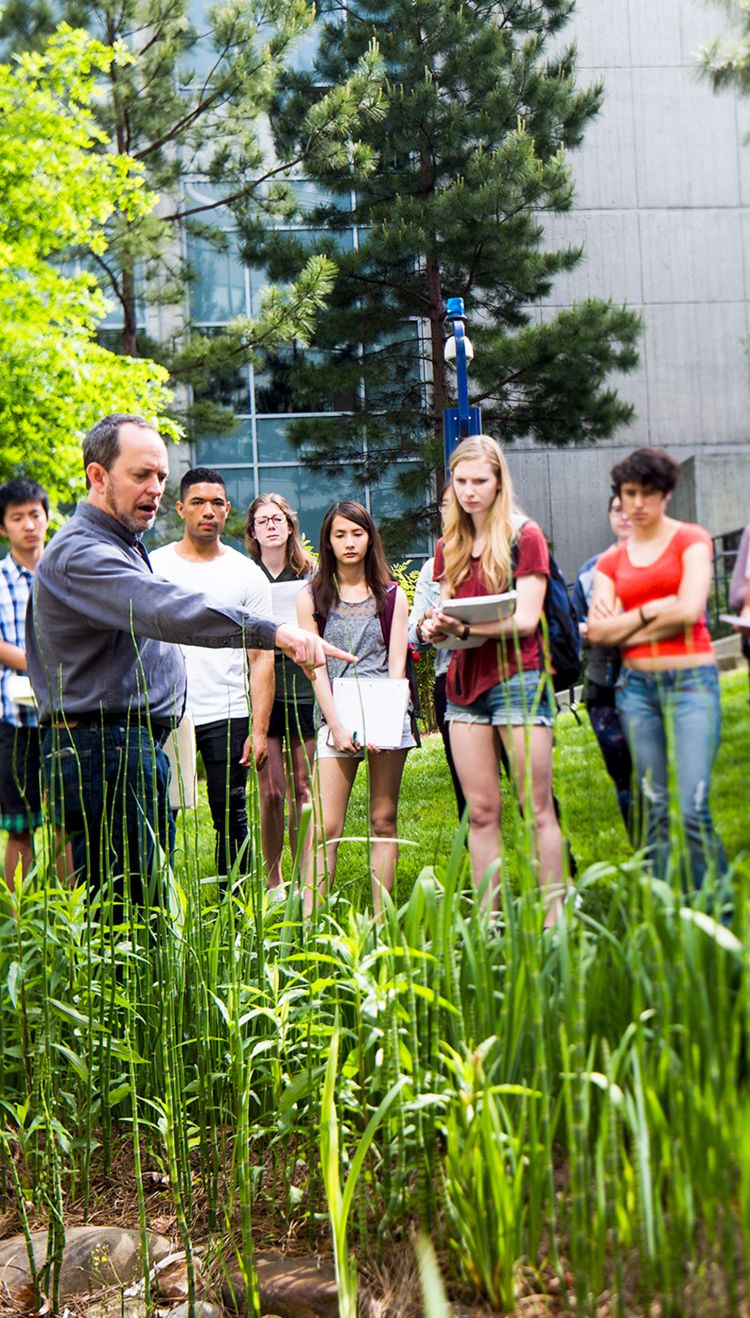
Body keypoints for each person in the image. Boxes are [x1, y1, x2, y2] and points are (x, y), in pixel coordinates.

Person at [25, 413, 354, 905]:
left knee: (147, 906)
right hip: (103, 750)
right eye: (141, 475)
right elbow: (169, 610)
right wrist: (276, 632)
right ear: (98, 476)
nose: (156, 488)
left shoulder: (121, 544)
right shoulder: (84, 552)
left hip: (127, 746)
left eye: (160, 476)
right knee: (127, 913)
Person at [420, 435, 564, 921]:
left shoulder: (525, 536)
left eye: (479, 480)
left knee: (536, 808)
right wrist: (436, 627)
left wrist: (463, 627)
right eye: (460, 481)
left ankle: (553, 920)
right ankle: (492, 922)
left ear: (500, 480)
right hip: (464, 688)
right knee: (480, 812)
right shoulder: (449, 545)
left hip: (519, 679)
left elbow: (526, 619)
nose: (469, 491)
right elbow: (446, 622)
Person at [588, 447, 727, 895]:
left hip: (691, 684)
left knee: (692, 808)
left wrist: (627, 620)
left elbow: (689, 611)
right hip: (637, 690)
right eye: (629, 493)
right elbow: (598, 632)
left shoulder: (691, 539)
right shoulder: (611, 562)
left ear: (666, 494)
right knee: (654, 807)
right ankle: (667, 915)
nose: (637, 504)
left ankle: (715, 916)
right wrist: (653, 611)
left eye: (648, 493)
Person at [151, 468, 275, 876]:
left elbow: (261, 657)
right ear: (181, 507)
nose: (209, 511)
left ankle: (235, 910)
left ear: (227, 510)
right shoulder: (154, 566)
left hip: (227, 711)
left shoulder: (245, 573)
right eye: (199, 502)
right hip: (166, 712)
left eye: (217, 503)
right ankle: (158, 907)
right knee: (159, 817)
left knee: (231, 818)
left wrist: (258, 730)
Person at [297, 500, 414, 915]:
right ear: (327, 540)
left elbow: (397, 667)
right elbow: (317, 672)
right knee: (327, 826)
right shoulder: (310, 597)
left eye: (357, 533)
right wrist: (338, 726)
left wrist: (384, 724)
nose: (349, 543)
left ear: (370, 537)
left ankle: (383, 922)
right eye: (340, 534)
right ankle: (311, 925)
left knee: (383, 820)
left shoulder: (391, 595)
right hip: (335, 716)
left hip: (386, 713)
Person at [245, 493, 316, 888]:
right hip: (263, 691)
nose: (270, 526)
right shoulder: (245, 574)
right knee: (271, 791)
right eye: (262, 521)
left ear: (290, 526)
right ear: (253, 532)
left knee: (301, 789)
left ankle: (305, 880)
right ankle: (274, 883)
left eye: (277, 519)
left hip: (303, 688)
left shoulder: (312, 573)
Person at [0, 479, 50, 888]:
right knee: (19, 823)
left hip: (68, 715)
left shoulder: (64, 571)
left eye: (35, 514)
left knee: (72, 822)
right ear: (4, 527)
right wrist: (42, 666)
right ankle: (20, 918)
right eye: (17, 518)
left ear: (47, 518)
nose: (28, 525)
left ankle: (75, 918)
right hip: (14, 720)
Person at [572, 494, 633, 828]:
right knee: (622, 775)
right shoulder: (590, 572)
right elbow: (576, 627)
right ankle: (645, 855)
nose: (624, 515)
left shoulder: (661, 561)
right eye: (616, 509)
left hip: (650, 677)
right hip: (603, 683)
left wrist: (606, 627)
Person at [409, 489, 467, 821]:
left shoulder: (509, 547)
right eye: (445, 505)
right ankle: (479, 870)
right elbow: (412, 636)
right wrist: (424, 626)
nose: (450, 511)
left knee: (527, 787)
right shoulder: (435, 563)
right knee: (467, 793)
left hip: (505, 676)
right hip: (452, 678)